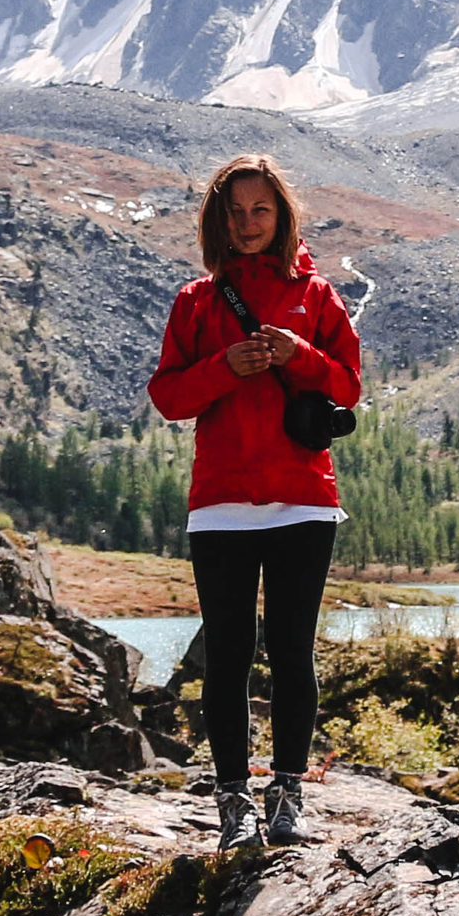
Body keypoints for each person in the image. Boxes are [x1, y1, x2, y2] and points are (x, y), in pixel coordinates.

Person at [148, 154, 361, 849]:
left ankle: (289, 794)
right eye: (234, 212)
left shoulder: (318, 296)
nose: (247, 223)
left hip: (304, 500)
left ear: (281, 214)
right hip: (221, 504)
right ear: (219, 218)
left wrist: (297, 352)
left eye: (259, 210)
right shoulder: (195, 301)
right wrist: (222, 368)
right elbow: (168, 396)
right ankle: (234, 802)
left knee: (293, 651)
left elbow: (350, 386)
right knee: (230, 655)